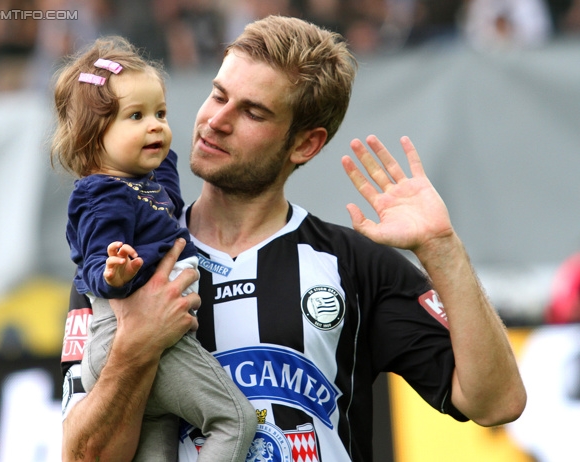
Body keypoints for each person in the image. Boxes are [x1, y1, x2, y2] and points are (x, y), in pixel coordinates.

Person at [60, 16, 527, 462]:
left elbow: (496, 402)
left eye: (253, 112)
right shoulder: (122, 261)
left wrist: (442, 248)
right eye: (218, 95)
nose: (217, 121)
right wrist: (132, 349)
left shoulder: (353, 264)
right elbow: (85, 456)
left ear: (305, 144)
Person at [52, 36, 256, 461]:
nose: (156, 125)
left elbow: (171, 197)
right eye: (136, 115)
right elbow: (93, 261)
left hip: (157, 343)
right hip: (134, 337)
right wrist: (114, 273)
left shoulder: (144, 183)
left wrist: (151, 134)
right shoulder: (101, 194)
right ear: (93, 136)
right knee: (235, 420)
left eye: (161, 113)